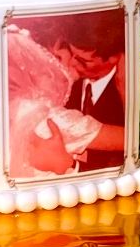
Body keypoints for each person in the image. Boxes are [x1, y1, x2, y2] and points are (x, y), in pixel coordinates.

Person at [7, 26, 123, 178]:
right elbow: (131, 140)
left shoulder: (15, 106)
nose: (71, 64)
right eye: (57, 59)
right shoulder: (55, 118)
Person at [64, 19, 126, 171]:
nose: (72, 63)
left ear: (114, 58)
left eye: (82, 60)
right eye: (72, 54)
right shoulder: (66, 84)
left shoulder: (126, 93)